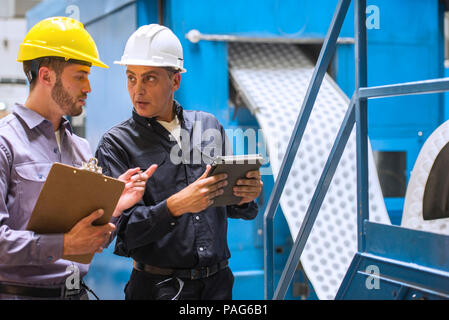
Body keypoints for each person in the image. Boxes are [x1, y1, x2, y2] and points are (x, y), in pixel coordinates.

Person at [95, 24, 263, 300]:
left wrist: (246, 197)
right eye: (131, 78)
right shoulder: (116, 144)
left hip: (218, 286)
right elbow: (121, 232)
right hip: (158, 288)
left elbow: (235, 208)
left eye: (149, 78)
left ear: (175, 81)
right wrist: (173, 207)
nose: (137, 90)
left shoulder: (208, 126)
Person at [0, 17, 156, 300]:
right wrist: (63, 244)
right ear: (46, 76)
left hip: (77, 293)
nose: (88, 88)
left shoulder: (81, 148)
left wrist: (113, 208)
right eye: (80, 75)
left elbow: (95, 241)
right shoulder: (5, 144)